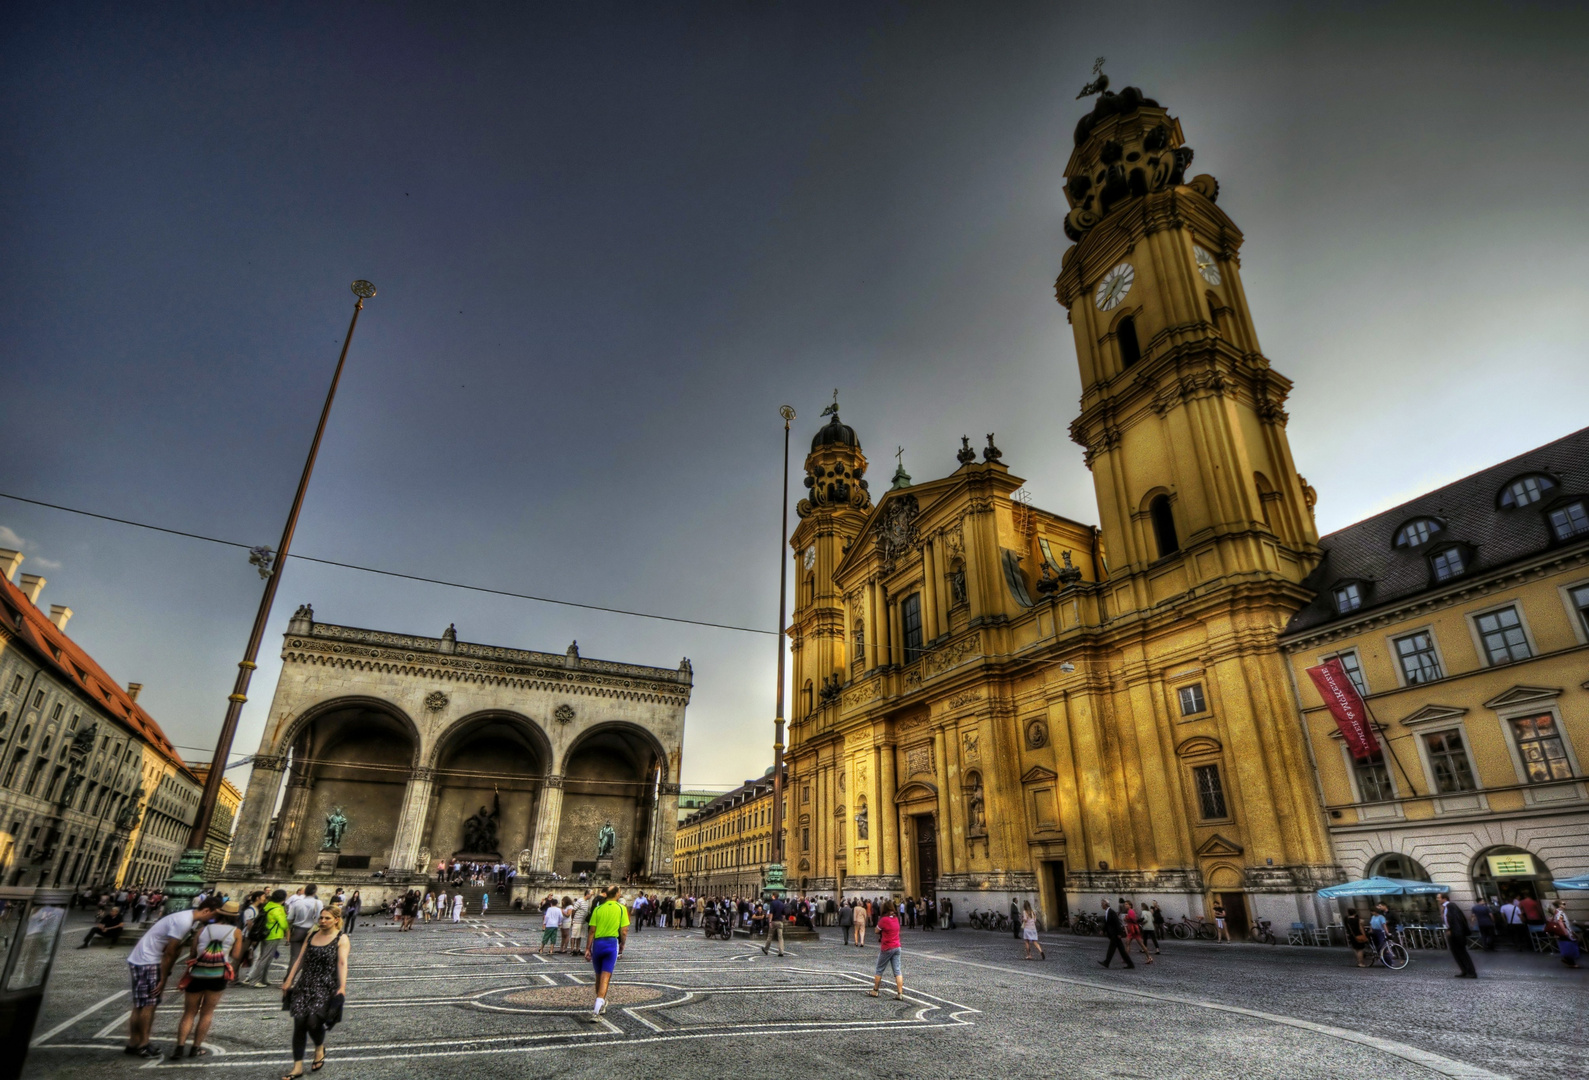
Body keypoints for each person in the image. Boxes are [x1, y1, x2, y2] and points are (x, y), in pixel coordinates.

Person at [123, 894, 226, 1058]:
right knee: (148, 1005)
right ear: (207, 910)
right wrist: (163, 977)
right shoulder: (184, 922)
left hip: (142, 959)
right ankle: (142, 1044)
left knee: (141, 1005)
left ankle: (134, 1043)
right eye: (214, 915)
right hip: (148, 960)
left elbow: (175, 948)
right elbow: (170, 952)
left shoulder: (187, 919)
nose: (214, 919)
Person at [169, 900, 246, 1060]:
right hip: (217, 975)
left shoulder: (203, 929)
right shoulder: (236, 932)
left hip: (197, 974)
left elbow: (192, 953)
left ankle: (179, 1048)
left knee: (189, 1013)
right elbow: (236, 956)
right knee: (206, 1013)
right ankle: (195, 1048)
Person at [281, 907, 350, 1079]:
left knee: (313, 1021)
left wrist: (342, 987)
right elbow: (301, 958)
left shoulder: (341, 938)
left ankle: (319, 1046)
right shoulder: (312, 935)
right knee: (300, 1023)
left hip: (326, 985)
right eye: (321, 918)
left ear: (336, 920)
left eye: (327, 918)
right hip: (305, 984)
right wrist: (289, 980)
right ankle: (297, 1067)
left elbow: (342, 963)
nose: (322, 921)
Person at [582, 885, 629, 1022]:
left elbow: (591, 930)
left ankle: (601, 1004)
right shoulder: (621, 908)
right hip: (611, 944)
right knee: (606, 977)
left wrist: (587, 948)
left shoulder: (598, 909)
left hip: (598, 944)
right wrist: (622, 944)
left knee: (598, 976)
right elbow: (624, 930)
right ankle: (597, 1009)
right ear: (617, 894)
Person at [241, 889, 290, 987]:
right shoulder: (278, 909)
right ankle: (255, 980)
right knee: (265, 958)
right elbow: (284, 924)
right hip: (273, 935)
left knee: (267, 958)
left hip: (265, 934)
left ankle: (263, 978)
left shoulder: (268, 905)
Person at [868, 899, 905, 1000]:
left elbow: (876, 930)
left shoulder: (884, 920)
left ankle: (875, 990)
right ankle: (900, 993)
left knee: (879, 969)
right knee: (897, 971)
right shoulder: (896, 918)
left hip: (887, 947)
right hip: (897, 947)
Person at [285, 884, 323, 970]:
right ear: (315, 892)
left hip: (297, 930)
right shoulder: (318, 903)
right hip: (312, 931)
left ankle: (288, 979)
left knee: (294, 957)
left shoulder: (297, 902)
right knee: (311, 957)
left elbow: (289, 918)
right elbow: (319, 919)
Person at [1442, 894, 1477, 979]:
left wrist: (1452, 930)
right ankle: (1464, 970)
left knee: (1462, 953)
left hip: (1456, 933)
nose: (1437, 899)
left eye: (1439, 898)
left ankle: (1471, 972)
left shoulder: (1451, 906)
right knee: (1456, 953)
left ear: (1444, 898)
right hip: (1452, 932)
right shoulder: (1446, 908)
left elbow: (1456, 920)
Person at [1098, 898, 1134, 969]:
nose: (1101, 905)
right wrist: (1103, 930)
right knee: (1121, 951)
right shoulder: (1108, 912)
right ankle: (1130, 964)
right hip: (1114, 934)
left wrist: (1119, 933)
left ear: (1105, 904)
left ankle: (1107, 962)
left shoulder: (1111, 912)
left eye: (1102, 904)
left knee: (1112, 949)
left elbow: (1117, 923)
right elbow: (1106, 923)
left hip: (1115, 934)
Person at [1548, 900, 1580, 969]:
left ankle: (1568, 960)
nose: (1565, 905)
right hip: (1564, 932)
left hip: (1561, 932)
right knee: (1569, 946)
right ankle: (1571, 962)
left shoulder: (1556, 913)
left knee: (1567, 946)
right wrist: (1565, 932)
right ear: (1560, 905)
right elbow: (1560, 922)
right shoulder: (1560, 913)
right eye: (1563, 904)